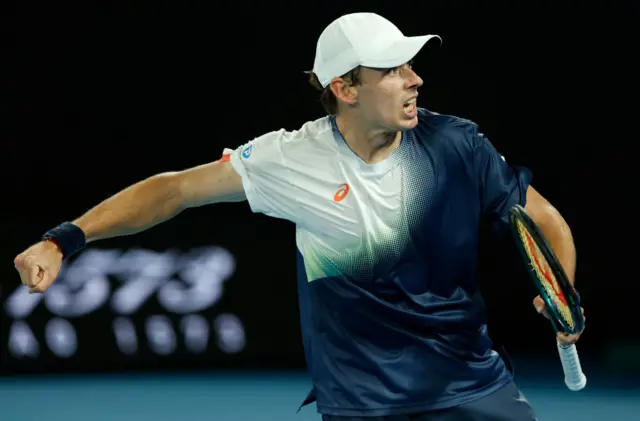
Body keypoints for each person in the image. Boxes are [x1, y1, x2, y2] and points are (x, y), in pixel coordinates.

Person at [14, 12, 583, 421]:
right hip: (363, 403)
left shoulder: (459, 144)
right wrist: (64, 240)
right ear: (345, 88)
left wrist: (561, 290)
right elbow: (174, 191)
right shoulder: (288, 159)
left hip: (471, 384)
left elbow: (542, 220)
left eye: (411, 65)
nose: (415, 80)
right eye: (391, 69)